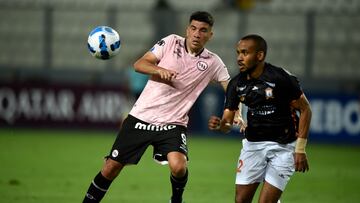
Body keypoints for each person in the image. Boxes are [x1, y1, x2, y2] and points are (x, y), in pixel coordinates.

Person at [82, 11, 230, 203]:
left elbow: (231, 87)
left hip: (173, 123)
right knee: (110, 168)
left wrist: (236, 113)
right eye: (193, 28)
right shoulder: (170, 42)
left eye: (203, 30)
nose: (197, 34)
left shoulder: (213, 62)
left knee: (179, 166)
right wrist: (160, 70)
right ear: (187, 30)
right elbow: (140, 64)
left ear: (210, 35)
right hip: (141, 117)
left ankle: (176, 200)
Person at [208, 34, 312, 203]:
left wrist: (300, 149)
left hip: (283, 147)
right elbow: (227, 122)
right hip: (253, 146)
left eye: (244, 53)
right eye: (238, 53)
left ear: (260, 55)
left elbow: (305, 109)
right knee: (241, 200)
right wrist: (221, 126)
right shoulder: (236, 84)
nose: (239, 58)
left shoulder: (280, 78)